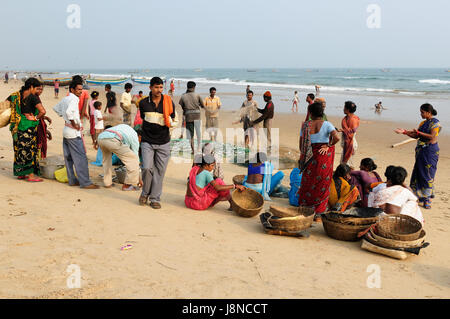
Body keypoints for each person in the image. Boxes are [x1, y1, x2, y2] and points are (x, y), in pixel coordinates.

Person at [138, 77, 178, 209]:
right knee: (147, 168)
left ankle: (155, 198)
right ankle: (145, 193)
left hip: (163, 142)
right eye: (156, 87)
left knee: (160, 171)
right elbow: (144, 119)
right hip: (147, 141)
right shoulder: (143, 103)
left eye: (161, 87)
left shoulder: (168, 102)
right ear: (150, 88)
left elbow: (173, 119)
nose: (159, 90)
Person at [53, 81, 99, 189]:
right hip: (73, 132)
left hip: (66, 130)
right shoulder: (74, 99)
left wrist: (65, 118)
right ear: (72, 89)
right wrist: (74, 124)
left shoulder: (66, 98)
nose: (80, 91)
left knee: (68, 158)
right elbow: (69, 113)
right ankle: (85, 182)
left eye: (81, 89)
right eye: (78, 89)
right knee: (81, 158)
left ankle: (72, 180)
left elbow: (56, 109)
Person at [297, 102, 340, 219]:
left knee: (308, 181)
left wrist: (305, 154)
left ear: (310, 113)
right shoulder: (327, 124)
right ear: (322, 113)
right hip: (323, 158)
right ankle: (319, 213)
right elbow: (337, 138)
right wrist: (328, 146)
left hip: (310, 157)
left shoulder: (305, 126)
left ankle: (306, 208)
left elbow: (301, 145)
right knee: (322, 183)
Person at [395, 103, 441, 209]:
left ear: (429, 112)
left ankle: (427, 198)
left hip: (430, 151)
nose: (421, 114)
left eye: (422, 112)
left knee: (427, 174)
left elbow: (432, 136)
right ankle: (418, 196)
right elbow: (416, 135)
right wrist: (404, 132)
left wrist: (419, 133)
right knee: (418, 172)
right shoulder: (423, 123)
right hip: (421, 151)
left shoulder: (435, 123)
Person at [7, 77, 46, 182]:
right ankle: (31, 176)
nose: (38, 91)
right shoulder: (33, 97)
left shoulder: (15, 95)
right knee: (29, 150)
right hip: (28, 127)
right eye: (37, 88)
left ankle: (21, 173)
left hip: (16, 127)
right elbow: (43, 111)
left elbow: (5, 105)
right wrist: (35, 118)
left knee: (19, 149)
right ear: (31, 87)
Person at [97, 124, 142, 191]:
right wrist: (139, 179)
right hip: (112, 139)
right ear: (140, 136)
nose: (140, 141)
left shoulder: (127, 129)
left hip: (101, 138)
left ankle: (107, 183)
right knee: (133, 159)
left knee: (107, 160)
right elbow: (135, 157)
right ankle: (127, 185)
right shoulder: (135, 136)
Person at [179, 81, 204, 154]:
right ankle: (199, 148)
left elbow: (182, 106)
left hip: (188, 117)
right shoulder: (197, 95)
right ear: (194, 87)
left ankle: (193, 150)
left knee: (190, 135)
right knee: (198, 133)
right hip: (197, 117)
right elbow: (202, 106)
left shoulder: (183, 96)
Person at [339, 101, 360, 166]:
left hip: (350, 144)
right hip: (346, 144)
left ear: (347, 110)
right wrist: (343, 130)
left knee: (348, 165)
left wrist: (343, 130)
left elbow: (351, 133)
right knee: (344, 163)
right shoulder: (347, 118)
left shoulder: (353, 120)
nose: (343, 109)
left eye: (344, 107)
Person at [35, 85, 52, 160]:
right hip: (36, 125)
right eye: (38, 89)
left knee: (42, 146)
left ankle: (40, 163)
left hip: (40, 124)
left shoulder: (37, 98)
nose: (40, 91)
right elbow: (35, 114)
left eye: (41, 89)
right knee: (38, 145)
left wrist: (44, 117)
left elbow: (38, 113)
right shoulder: (33, 98)